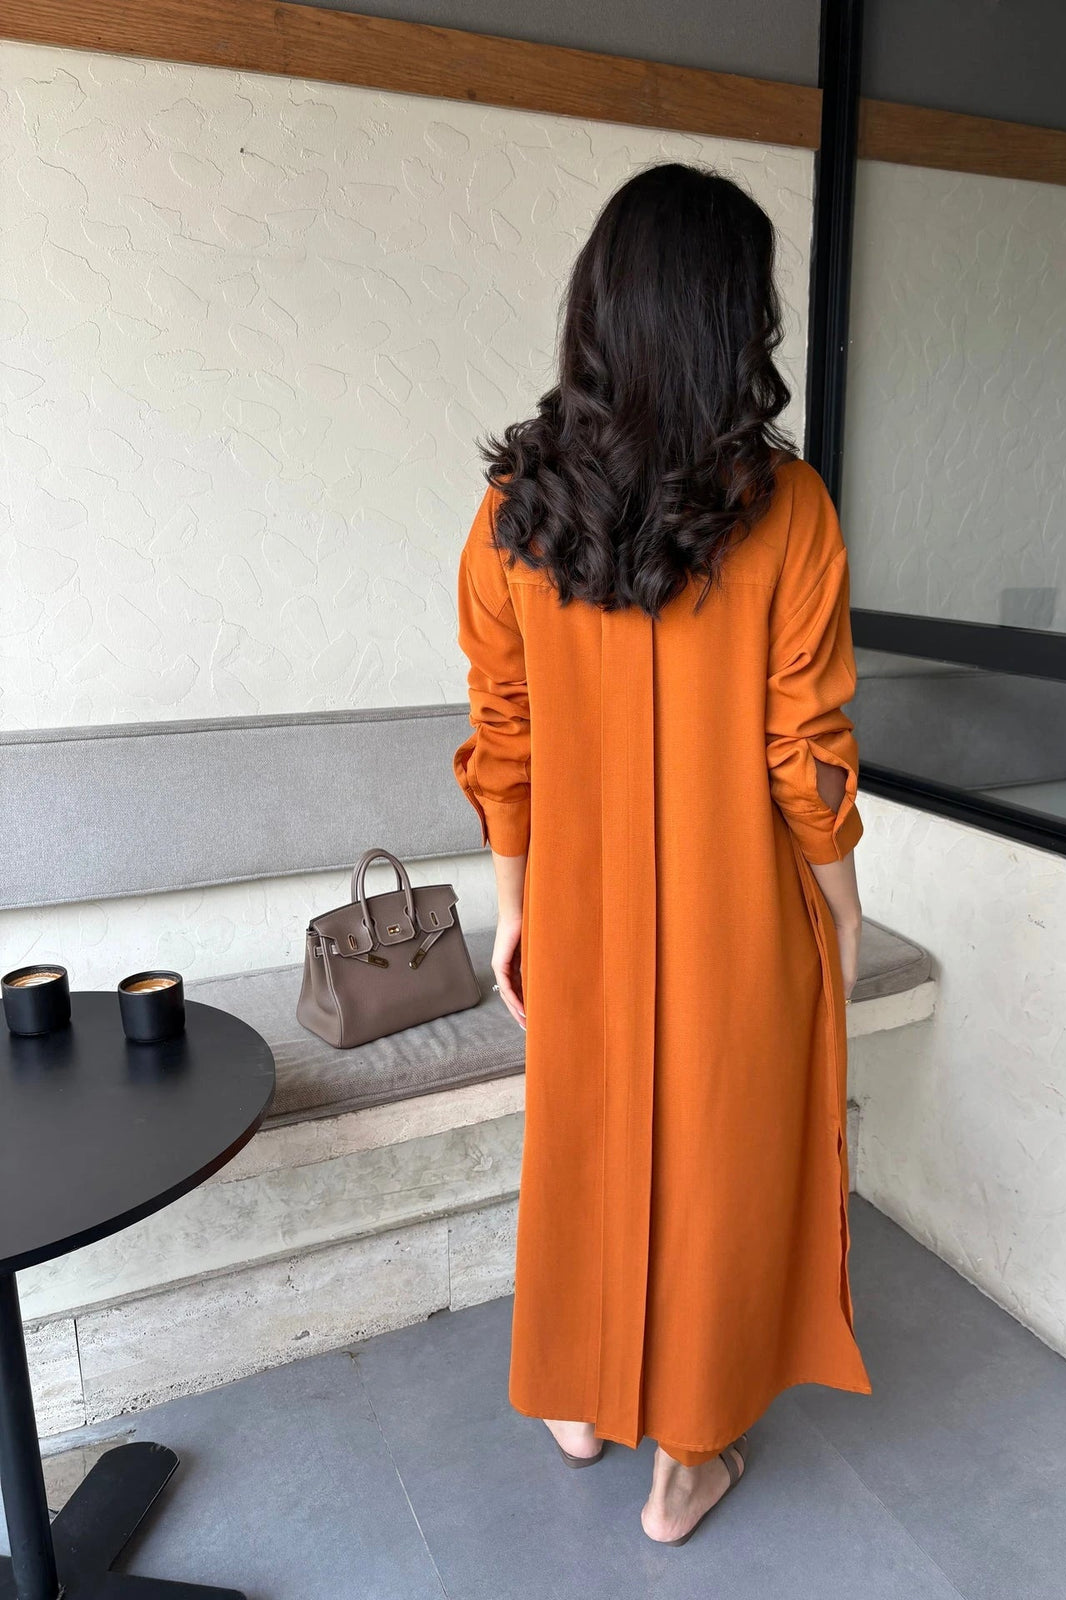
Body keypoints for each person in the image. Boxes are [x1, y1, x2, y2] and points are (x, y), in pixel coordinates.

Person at [453, 161, 868, 1547]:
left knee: (585, 1143)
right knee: (722, 1171)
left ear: (600, 307)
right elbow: (806, 752)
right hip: (736, 918)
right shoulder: (787, 508)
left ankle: (578, 1403)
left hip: (579, 909)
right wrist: (841, 901)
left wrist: (516, 905)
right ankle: (685, 1461)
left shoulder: (515, 513)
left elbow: (503, 732)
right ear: (732, 323)